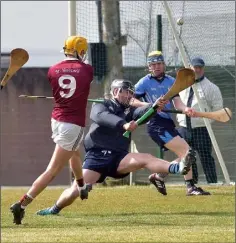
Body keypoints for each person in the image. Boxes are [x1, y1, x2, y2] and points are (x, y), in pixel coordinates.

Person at [36, 79, 192, 216]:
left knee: (145, 158)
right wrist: (123, 124)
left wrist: (154, 106)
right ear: (116, 91)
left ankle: (177, 168)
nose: (130, 96)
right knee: (76, 190)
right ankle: (54, 209)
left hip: (119, 158)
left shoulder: (129, 110)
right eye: (127, 92)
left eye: (131, 93)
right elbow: (100, 117)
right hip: (97, 158)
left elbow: (142, 112)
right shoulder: (101, 104)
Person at [10, 36, 94, 225]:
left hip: (56, 120)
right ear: (80, 51)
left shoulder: (53, 69)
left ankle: (81, 187)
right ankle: (22, 204)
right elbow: (83, 79)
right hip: (73, 124)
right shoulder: (87, 69)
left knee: (74, 155)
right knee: (53, 169)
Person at [132, 51, 210, 196]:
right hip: (155, 123)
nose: (156, 67)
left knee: (186, 153)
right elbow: (132, 100)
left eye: (159, 64)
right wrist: (150, 105)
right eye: (153, 64)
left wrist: (186, 109)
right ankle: (190, 187)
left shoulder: (171, 81)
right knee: (187, 151)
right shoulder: (144, 82)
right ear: (149, 67)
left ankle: (159, 176)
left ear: (164, 65)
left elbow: (177, 103)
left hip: (168, 123)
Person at [177, 57, 223, 184]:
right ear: (189, 68)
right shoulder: (181, 84)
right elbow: (177, 102)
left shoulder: (211, 87)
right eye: (194, 67)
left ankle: (212, 182)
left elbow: (218, 110)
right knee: (187, 158)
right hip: (184, 128)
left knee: (206, 157)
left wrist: (204, 121)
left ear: (203, 69)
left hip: (202, 129)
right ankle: (192, 183)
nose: (197, 70)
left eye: (199, 68)